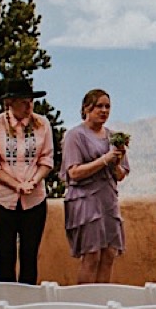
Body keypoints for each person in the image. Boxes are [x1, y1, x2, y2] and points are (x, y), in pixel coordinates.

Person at [0, 80, 54, 285]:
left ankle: (27, 305)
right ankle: (6, 303)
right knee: (5, 256)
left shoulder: (43, 124)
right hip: (2, 200)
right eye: (23, 102)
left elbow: (47, 159)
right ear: (10, 103)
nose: (29, 106)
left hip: (34, 199)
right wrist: (15, 185)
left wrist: (34, 181)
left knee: (30, 256)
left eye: (30, 101)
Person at [62, 88, 128, 285]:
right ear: (86, 108)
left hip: (108, 199)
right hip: (85, 200)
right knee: (92, 256)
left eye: (107, 106)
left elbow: (121, 174)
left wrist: (116, 163)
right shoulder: (75, 136)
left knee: (108, 254)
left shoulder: (114, 136)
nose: (104, 110)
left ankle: (102, 301)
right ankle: (85, 304)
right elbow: (73, 172)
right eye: (99, 106)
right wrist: (104, 160)